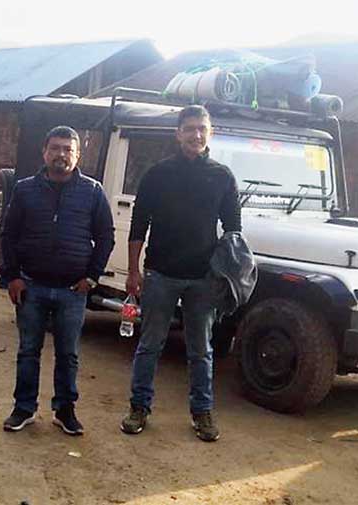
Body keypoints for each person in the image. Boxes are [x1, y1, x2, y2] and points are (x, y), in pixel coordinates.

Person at [120, 105, 241, 442]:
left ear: (210, 132)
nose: (196, 135)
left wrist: (228, 276)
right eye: (189, 129)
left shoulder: (222, 176)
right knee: (149, 346)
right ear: (178, 133)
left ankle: (202, 413)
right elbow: (138, 225)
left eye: (202, 128)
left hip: (203, 279)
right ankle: (138, 407)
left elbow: (234, 231)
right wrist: (133, 271)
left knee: (200, 350)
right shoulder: (157, 174)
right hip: (160, 274)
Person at [0, 126, 114, 434]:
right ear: (44, 152)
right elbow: (8, 235)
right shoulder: (24, 189)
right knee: (28, 351)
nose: (61, 154)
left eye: (68, 149)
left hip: (72, 290)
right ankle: (23, 408)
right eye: (55, 148)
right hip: (31, 285)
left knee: (68, 353)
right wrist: (12, 277)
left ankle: (65, 410)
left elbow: (105, 237)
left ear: (78, 155)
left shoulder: (92, 191)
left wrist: (91, 277)